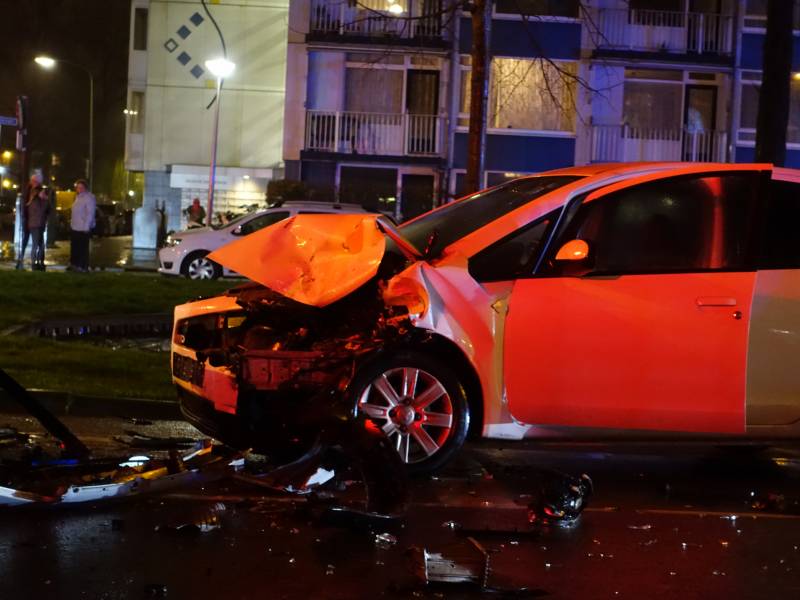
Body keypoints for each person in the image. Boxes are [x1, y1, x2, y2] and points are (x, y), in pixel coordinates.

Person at [16, 173, 42, 269]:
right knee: (25, 240)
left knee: (38, 242)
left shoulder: (40, 191)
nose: (33, 182)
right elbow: (24, 204)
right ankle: (21, 259)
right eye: (32, 180)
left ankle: (37, 262)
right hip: (27, 219)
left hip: (36, 220)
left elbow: (43, 206)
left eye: (35, 181)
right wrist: (23, 215)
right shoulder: (27, 191)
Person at [69, 179, 96, 272]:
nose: (79, 189)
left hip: (83, 228)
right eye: (78, 187)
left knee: (82, 248)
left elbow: (90, 213)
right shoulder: (77, 198)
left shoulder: (89, 198)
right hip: (75, 227)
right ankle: (75, 265)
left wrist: (86, 226)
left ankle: (83, 266)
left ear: (85, 188)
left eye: (81, 187)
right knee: (75, 247)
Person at [25, 186, 51, 271]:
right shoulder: (35, 202)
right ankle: (34, 263)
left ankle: (39, 262)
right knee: (36, 245)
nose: (44, 194)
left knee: (41, 245)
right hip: (35, 226)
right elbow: (42, 211)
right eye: (42, 192)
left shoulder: (39, 201)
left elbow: (48, 211)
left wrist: (46, 201)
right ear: (38, 193)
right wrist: (47, 200)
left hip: (39, 226)